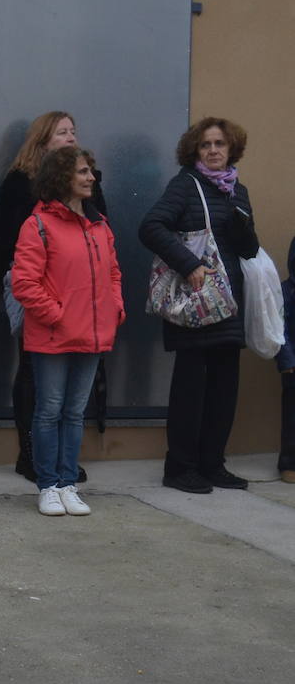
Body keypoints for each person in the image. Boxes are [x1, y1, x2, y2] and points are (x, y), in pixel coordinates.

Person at [0, 112, 106, 483]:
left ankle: (61, 462)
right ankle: (32, 455)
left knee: (73, 388)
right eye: (61, 132)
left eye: (74, 130)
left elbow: (103, 237)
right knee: (36, 377)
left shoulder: (89, 183)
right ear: (43, 140)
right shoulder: (21, 184)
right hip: (37, 297)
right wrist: (24, 283)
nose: (70, 137)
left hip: (82, 300)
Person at [139, 117, 259, 494]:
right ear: (195, 151)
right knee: (191, 390)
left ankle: (212, 465)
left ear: (231, 149)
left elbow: (248, 249)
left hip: (229, 304)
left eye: (219, 144)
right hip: (195, 305)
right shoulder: (185, 186)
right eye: (205, 145)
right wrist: (189, 264)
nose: (213, 151)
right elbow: (151, 227)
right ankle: (180, 468)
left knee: (224, 389)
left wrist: (244, 233)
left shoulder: (237, 190)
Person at [11, 147, 124, 516]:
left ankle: (67, 483)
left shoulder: (99, 225)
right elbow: (25, 284)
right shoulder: (38, 224)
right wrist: (58, 316)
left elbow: (113, 274)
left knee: (75, 413)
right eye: (82, 171)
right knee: (48, 411)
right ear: (62, 179)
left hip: (92, 336)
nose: (91, 177)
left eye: (90, 171)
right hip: (54, 336)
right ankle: (47, 486)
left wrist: (114, 308)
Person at [277, 236, 295, 483]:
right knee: (292, 414)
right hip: (293, 365)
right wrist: (287, 360)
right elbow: (278, 328)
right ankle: (289, 461)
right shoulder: (286, 291)